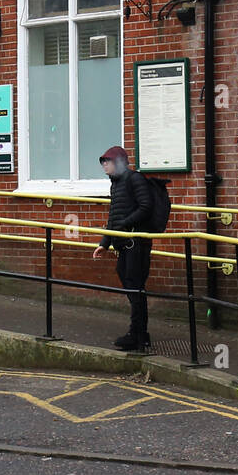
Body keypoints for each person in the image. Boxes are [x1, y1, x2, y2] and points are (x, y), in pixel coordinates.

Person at [91, 145, 153, 351]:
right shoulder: (116, 184)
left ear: (117, 162)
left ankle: (138, 335)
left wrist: (126, 224)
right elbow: (113, 218)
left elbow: (146, 206)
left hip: (136, 244)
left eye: (107, 162)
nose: (104, 166)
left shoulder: (134, 179)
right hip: (125, 245)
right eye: (103, 163)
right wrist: (104, 243)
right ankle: (139, 334)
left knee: (135, 288)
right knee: (132, 287)